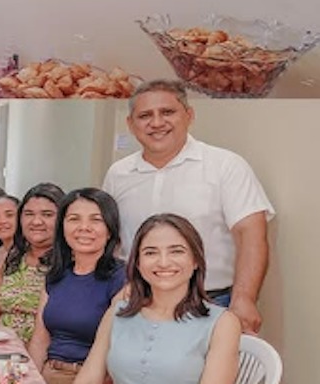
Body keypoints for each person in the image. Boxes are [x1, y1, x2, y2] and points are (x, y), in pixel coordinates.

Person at [103, 79, 275, 334]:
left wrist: (245, 298)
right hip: (137, 303)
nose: (157, 122)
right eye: (145, 115)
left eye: (168, 112)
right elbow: (109, 239)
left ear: (189, 115)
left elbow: (251, 234)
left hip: (209, 303)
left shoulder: (225, 165)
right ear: (131, 124)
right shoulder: (118, 173)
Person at [74, 213, 241, 384]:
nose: (163, 262)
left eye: (176, 251)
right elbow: (88, 378)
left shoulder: (222, 323)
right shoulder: (117, 313)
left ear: (195, 261)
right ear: (138, 263)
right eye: (151, 252)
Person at [28, 188, 126, 384]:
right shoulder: (57, 274)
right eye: (74, 219)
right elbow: (40, 339)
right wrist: (31, 377)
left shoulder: (122, 278)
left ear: (110, 230)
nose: (84, 227)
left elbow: (115, 351)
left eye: (95, 220)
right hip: (48, 373)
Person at [0, 183, 65, 344]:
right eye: (28, 214)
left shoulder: (69, 264)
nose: (36, 222)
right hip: (4, 352)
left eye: (47, 214)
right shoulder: (12, 257)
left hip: (44, 358)